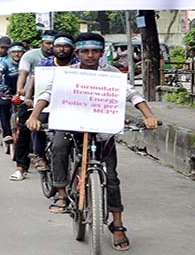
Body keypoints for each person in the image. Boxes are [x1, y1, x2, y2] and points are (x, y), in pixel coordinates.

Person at [26, 32, 158, 251]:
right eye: (85, 51)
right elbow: (48, 94)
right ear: (78, 53)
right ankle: (61, 193)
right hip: (71, 124)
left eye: (95, 51)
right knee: (58, 146)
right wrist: (33, 116)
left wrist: (148, 115)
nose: (90, 55)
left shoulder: (111, 73)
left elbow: (132, 94)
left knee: (112, 177)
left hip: (102, 131)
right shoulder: (67, 73)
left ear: (101, 52)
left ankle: (117, 225)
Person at [22, 32, 78, 172]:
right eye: (58, 46)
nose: (62, 49)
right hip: (49, 103)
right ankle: (39, 155)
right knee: (38, 120)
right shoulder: (45, 63)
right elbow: (34, 81)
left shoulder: (79, 63)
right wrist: (28, 98)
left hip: (74, 104)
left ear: (72, 48)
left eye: (66, 46)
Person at [10, 31, 55, 177]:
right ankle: (21, 167)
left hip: (59, 101)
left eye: (55, 44)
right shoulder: (30, 56)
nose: (52, 46)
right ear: (41, 43)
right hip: (33, 97)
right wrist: (21, 92)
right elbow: (24, 75)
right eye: (48, 43)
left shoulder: (71, 59)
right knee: (24, 130)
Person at [0, 42, 25, 179]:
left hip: (24, 92)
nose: (17, 54)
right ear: (10, 53)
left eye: (20, 52)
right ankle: (6, 133)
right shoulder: (4, 63)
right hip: (8, 91)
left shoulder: (26, 62)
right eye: (14, 52)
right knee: (4, 105)